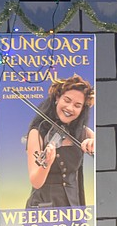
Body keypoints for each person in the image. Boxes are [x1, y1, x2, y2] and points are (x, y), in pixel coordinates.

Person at [25, 74, 95, 208]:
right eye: (67, 100)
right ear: (57, 98)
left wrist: (94, 144)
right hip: (43, 208)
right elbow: (36, 182)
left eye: (77, 105)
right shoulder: (37, 133)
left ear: (82, 110)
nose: (70, 108)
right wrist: (47, 163)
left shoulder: (84, 133)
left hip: (73, 208)